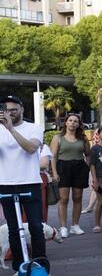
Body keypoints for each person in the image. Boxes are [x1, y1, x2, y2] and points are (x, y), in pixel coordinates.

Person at [0, 95, 46, 266]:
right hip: (5, 184)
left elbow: (31, 148)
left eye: (14, 109)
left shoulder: (33, 128)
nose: (10, 113)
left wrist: (11, 129)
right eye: (7, 110)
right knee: (13, 229)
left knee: (35, 226)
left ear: (21, 109)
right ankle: (19, 267)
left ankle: (41, 264)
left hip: (30, 182)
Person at [50, 112, 90, 238]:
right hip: (63, 167)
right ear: (66, 122)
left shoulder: (82, 139)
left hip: (79, 167)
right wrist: (54, 173)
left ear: (79, 124)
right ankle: (63, 227)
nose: (73, 123)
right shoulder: (58, 138)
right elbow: (53, 157)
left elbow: (88, 154)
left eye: (75, 121)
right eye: (70, 120)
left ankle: (75, 225)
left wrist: (87, 167)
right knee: (64, 199)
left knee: (78, 197)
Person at [88, 123, 102, 232]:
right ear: (99, 134)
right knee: (101, 200)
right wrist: (94, 179)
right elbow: (92, 165)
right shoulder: (95, 148)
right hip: (100, 178)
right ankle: (97, 224)